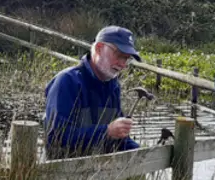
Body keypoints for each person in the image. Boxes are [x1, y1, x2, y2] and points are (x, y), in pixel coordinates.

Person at [43, 25, 142, 160]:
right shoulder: (67, 82)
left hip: (100, 175)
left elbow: (119, 139)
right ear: (99, 48)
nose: (123, 64)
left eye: (127, 59)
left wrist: (144, 154)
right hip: (63, 174)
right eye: (119, 55)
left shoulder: (113, 86)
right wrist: (106, 132)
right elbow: (56, 138)